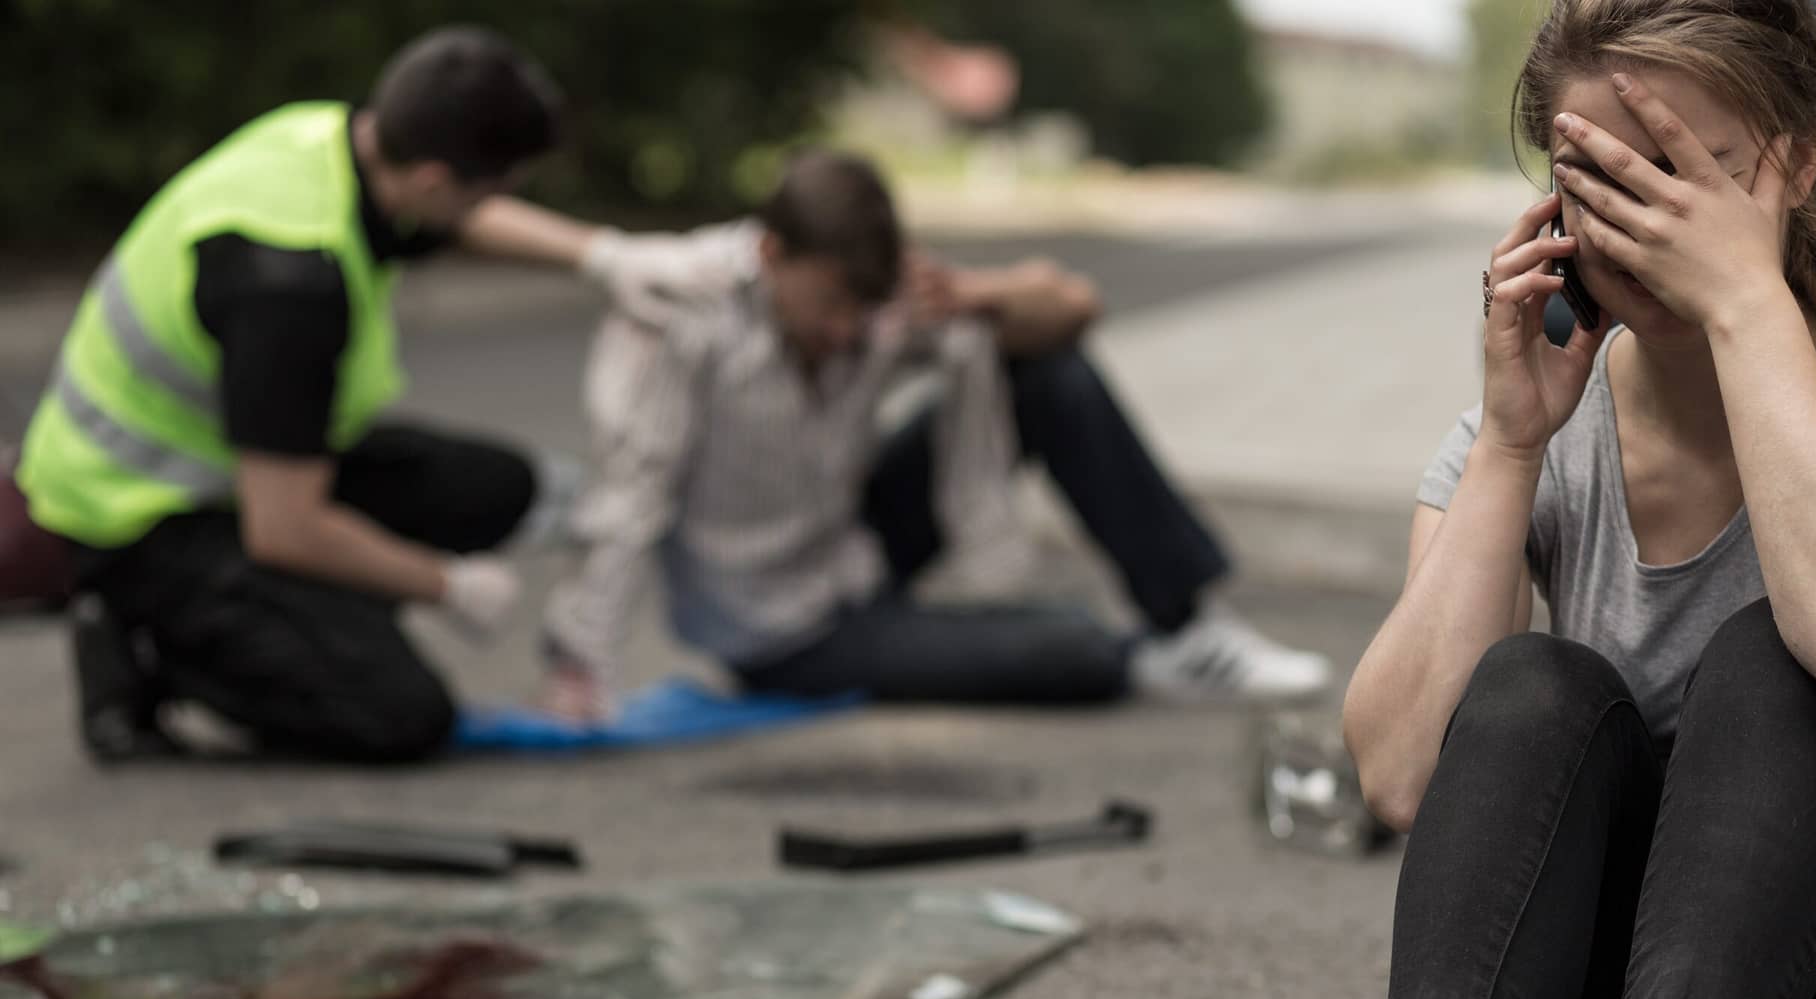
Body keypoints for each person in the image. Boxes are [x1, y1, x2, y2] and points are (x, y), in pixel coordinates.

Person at [1343, 2, 1816, 999]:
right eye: (1609, 176)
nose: (1651, 222)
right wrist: (1507, 447)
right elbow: (1396, 775)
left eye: (1692, 175)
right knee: (1532, 681)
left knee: (1786, 659)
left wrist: (1747, 304)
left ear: (1794, 167)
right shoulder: (1535, 426)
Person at [19, 27, 634, 763]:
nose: (495, 208)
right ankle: (148, 641)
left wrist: (605, 255)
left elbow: (463, 222)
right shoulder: (288, 287)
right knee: (399, 714)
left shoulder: (333, 140)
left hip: (226, 459)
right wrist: (444, 584)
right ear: (437, 183)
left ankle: (304, 613)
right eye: (491, 192)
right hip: (137, 517)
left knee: (494, 489)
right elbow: (284, 529)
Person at [540, 149, 1331, 717]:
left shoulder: (871, 294)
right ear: (771, 253)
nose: (849, 331)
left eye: (864, 308)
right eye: (830, 306)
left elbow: (1077, 310)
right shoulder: (686, 311)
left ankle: (1188, 624)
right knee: (1076, 655)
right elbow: (629, 493)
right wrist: (582, 660)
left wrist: (973, 292)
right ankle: (1128, 656)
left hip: (852, 544)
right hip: (781, 626)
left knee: (1048, 372)